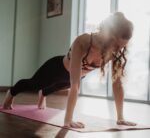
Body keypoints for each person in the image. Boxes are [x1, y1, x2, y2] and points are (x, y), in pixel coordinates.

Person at [2, 12, 136, 128]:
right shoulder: (83, 41)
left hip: (70, 78)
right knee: (35, 84)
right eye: (117, 45)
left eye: (122, 47)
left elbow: (117, 85)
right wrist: (68, 120)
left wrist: (120, 118)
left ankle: (43, 94)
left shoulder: (114, 52)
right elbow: (75, 85)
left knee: (57, 86)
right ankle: (11, 93)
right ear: (109, 35)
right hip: (55, 69)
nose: (118, 50)